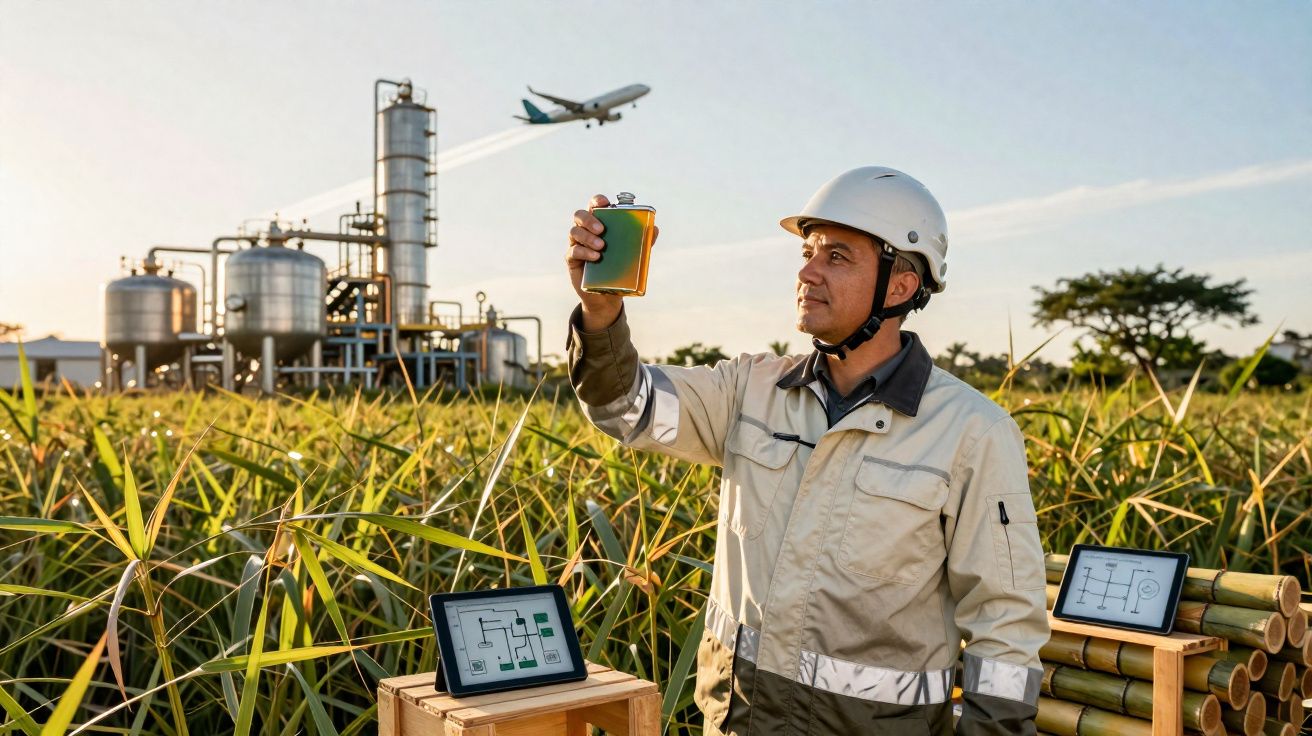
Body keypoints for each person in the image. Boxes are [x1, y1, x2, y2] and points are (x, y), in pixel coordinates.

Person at [563, 167, 1049, 735]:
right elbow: (626, 407)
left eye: (837, 257)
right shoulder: (749, 392)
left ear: (899, 285)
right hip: (737, 724)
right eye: (808, 250)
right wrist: (601, 313)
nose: (807, 271)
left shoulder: (973, 431)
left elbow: (1006, 627)